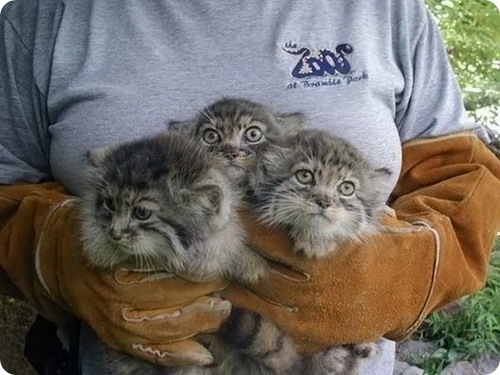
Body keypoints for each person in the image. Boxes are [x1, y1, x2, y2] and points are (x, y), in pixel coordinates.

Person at [0, 0, 499, 374]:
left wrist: (410, 275)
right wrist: (55, 255)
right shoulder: (45, 18)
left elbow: (461, 176)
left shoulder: (390, 11)